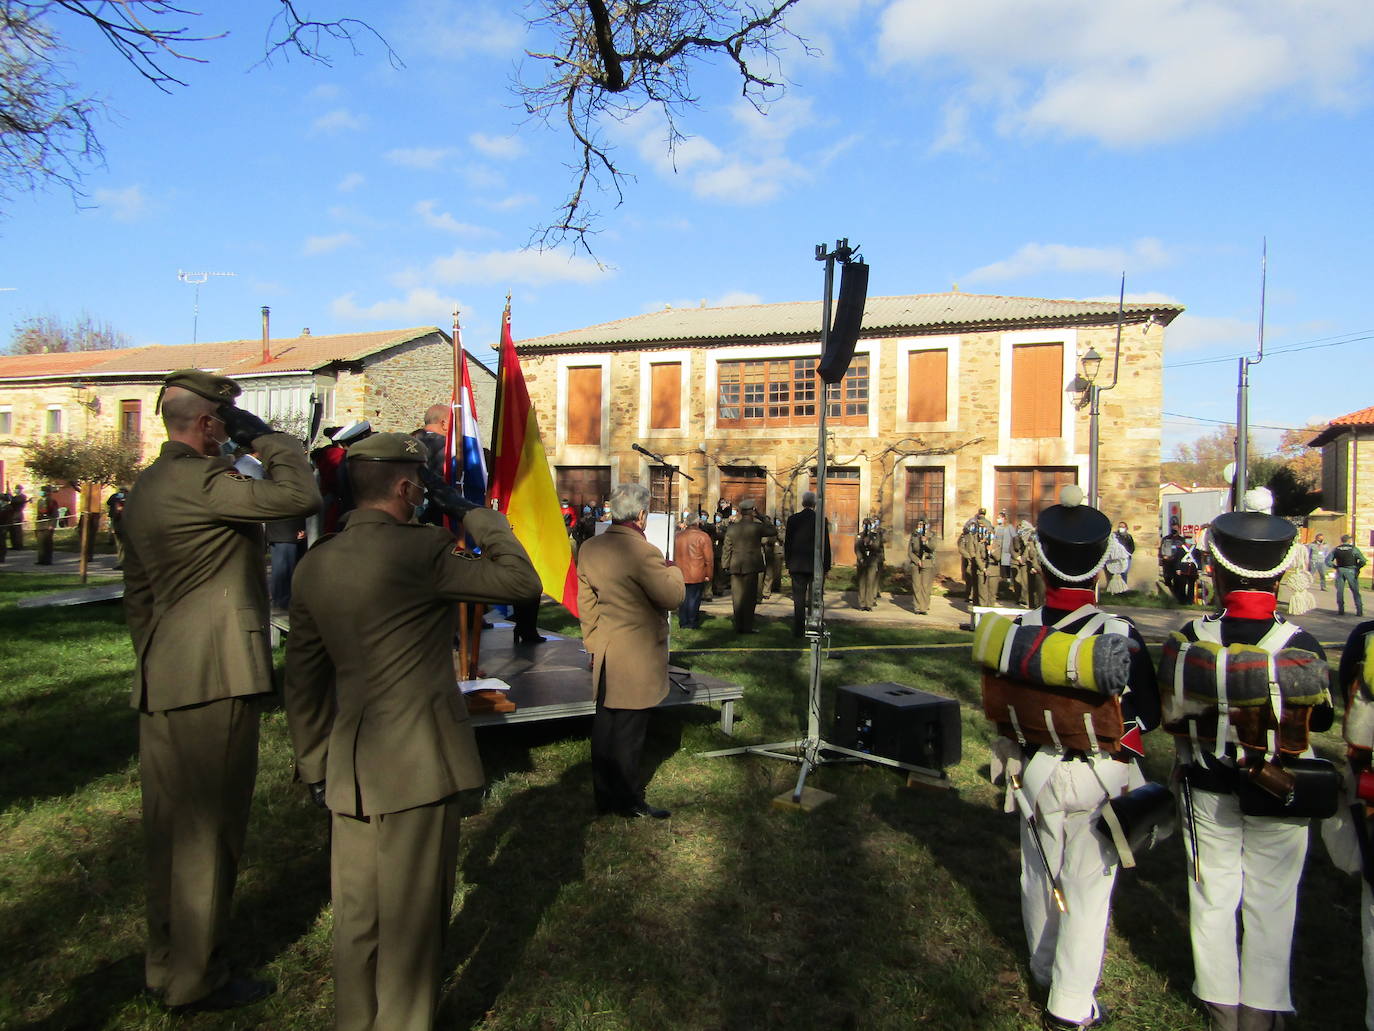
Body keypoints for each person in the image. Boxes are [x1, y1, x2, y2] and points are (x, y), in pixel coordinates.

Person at [283, 432, 538, 1031]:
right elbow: (521, 583)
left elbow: (303, 683)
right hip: (417, 762)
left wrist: (316, 763)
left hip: (349, 764)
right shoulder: (421, 551)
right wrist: (475, 513)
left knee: (357, 915)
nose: (425, 494)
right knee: (413, 917)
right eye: (422, 484)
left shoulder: (316, 564)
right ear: (405, 487)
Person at [120, 369, 321, 1011]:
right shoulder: (206, 481)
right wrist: (268, 439)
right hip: (216, 675)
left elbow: (138, 595)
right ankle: (197, 979)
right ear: (210, 423)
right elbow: (299, 496)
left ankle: (164, 962)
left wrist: (158, 654)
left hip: (164, 672)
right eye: (225, 420)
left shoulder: (147, 486)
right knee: (210, 831)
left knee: (168, 828)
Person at [988, 485, 1159, 1031]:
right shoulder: (1120, 633)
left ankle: (1043, 966)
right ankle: (1069, 1004)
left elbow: (1000, 705)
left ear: (1041, 564)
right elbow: (1147, 716)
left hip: (1033, 772)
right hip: (1098, 776)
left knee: (1037, 871)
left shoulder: (1017, 630)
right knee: (1088, 890)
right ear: (1099, 567)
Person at [1170, 510, 1334, 1031]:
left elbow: (1173, 716)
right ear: (1280, 573)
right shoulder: (1301, 643)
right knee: (1273, 897)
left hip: (1207, 781)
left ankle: (1221, 1004)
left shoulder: (1189, 637)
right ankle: (1262, 1008)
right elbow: (1322, 717)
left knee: (1212, 892)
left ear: (1216, 570)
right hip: (1280, 785)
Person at [576, 482, 685, 818]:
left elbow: (587, 604)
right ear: (641, 515)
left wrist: (593, 643)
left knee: (606, 724)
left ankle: (604, 796)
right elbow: (673, 597)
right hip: (637, 654)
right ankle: (628, 801)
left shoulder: (590, 549)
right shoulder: (644, 552)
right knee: (629, 730)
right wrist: (674, 570)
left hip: (607, 649)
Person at [721, 498, 777, 633]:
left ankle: (738, 625)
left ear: (739, 511)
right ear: (752, 511)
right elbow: (772, 530)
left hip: (735, 565)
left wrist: (725, 564)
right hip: (751, 565)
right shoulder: (757, 527)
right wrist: (762, 516)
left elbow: (726, 548)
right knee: (750, 598)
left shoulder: (732, 528)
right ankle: (747, 626)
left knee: (737, 597)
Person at [784, 491, 831, 638]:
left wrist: (788, 563)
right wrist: (827, 566)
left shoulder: (793, 519)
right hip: (815, 565)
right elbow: (825, 545)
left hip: (797, 565)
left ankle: (798, 630)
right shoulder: (820, 520)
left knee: (798, 600)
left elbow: (788, 544)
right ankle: (814, 627)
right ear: (814, 504)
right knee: (815, 599)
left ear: (803, 503)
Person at [673, 512, 714, 629]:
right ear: (697, 522)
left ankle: (683, 621)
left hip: (680, 571)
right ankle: (692, 621)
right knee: (694, 598)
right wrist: (709, 575)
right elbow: (709, 560)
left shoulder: (678, 536)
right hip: (697, 572)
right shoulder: (703, 536)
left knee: (683, 598)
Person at [266, 514, 307, 612]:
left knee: (294, 571)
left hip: (292, 529)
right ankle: (281, 604)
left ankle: (285, 603)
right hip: (284, 531)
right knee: (284, 571)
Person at [1332, 534, 1368, 616]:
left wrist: (1335, 567)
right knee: (1355, 591)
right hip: (1351, 570)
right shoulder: (1353, 549)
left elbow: (1328, 561)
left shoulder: (1336, 549)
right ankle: (1359, 611)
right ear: (1349, 541)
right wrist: (1358, 567)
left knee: (1340, 591)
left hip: (1340, 570)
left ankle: (1341, 610)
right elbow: (1363, 560)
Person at [855, 516, 885, 610]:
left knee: (870, 582)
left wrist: (870, 542)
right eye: (865, 524)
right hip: (862, 561)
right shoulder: (859, 535)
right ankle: (862, 603)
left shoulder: (875, 536)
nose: (866, 526)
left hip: (872, 561)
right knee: (862, 583)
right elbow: (856, 548)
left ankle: (869, 603)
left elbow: (877, 547)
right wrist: (860, 559)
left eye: (868, 525)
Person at [907, 516, 936, 615]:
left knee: (925, 586)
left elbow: (933, 548)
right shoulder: (914, 535)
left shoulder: (932, 535)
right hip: (916, 563)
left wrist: (926, 541)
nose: (920, 526)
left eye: (922, 525)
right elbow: (910, 551)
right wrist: (916, 560)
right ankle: (917, 607)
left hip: (927, 563)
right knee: (916, 585)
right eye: (919, 524)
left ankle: (924, 607)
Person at [994, 510, 1015, 596]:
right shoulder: (996, 527)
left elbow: (1014, 538)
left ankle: (1008, 587)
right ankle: (1000, 587)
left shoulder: (1010, 527)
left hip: (1007, 552)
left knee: (1007, 571)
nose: (997, 519)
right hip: (998, 552)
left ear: (1004, 518)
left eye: (999, 518)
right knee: (1000, 571)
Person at [34, 486, 57, 565]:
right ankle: (41, 559)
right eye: (41, 491)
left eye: (43, 491)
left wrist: (52, 525)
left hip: (48, 523)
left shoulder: (52, 501)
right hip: (41, 524)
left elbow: (54, 514)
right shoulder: (40, 501)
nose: (42, 492)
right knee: (40, 543)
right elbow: (38, 514)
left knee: (47, 542)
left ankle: (48, 560)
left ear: (47, 493)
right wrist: (36, 525)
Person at [107, 487, 128, 569]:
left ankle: (122, 563)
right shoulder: (131, 496)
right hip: (127, 521)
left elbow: (108, 503)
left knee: (120, 544)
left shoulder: (115, 496)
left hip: (117, 521)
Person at [8, 483, 27, 548]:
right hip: (13, 515)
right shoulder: (15, 497)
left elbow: (16, 501)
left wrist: (10, 496)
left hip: (18, 515)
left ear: (20, 490)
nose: (16, 490)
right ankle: (14, 545)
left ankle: (18, 545)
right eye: (16, 489)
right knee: (12, 531)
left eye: (18, 489)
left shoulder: (22, 497)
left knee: (17, 531)